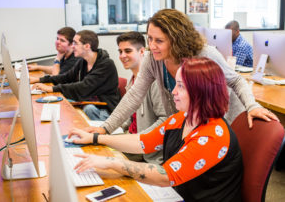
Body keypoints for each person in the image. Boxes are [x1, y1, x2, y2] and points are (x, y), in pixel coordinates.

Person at [69, 58, 243, 201]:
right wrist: (96, 138)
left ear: (201, 92)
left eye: (181, 86)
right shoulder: (181, 118)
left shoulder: (213, 135)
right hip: (176, 194)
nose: (173, 91)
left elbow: (165, 176)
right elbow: (142, 142)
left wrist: (111, 163)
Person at [82, 8, 277, 135]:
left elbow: (236, 81)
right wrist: (106, 129)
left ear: (177, 39)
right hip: (187, 125)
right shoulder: (153, 59)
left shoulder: (204, 54)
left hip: (218, 124)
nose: (152, 46)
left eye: (159, 41)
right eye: (149, 38)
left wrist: (252, 106)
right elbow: (134, 95)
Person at [30, 30, 120, 119]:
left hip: (104, 110)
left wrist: (51, 88)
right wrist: (39, 80)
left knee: (88, 109)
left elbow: (83, 87)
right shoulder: (83, 61)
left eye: (75, 43)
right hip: (88, 102)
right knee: (57, 101)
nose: (72, 46)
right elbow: (66, 77)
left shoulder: (106, 64)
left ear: (87, 46)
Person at [116, 31, 166, 164]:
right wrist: (119, 129)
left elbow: (165, 119)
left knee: (104, 154)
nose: (122, 56)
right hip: (131, 137)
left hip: (145, 149)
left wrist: (138, 138)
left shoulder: (154, 81)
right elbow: (130, 116)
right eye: (120, 52)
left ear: (142, 51)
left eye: (127, 51)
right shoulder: (132, 80)